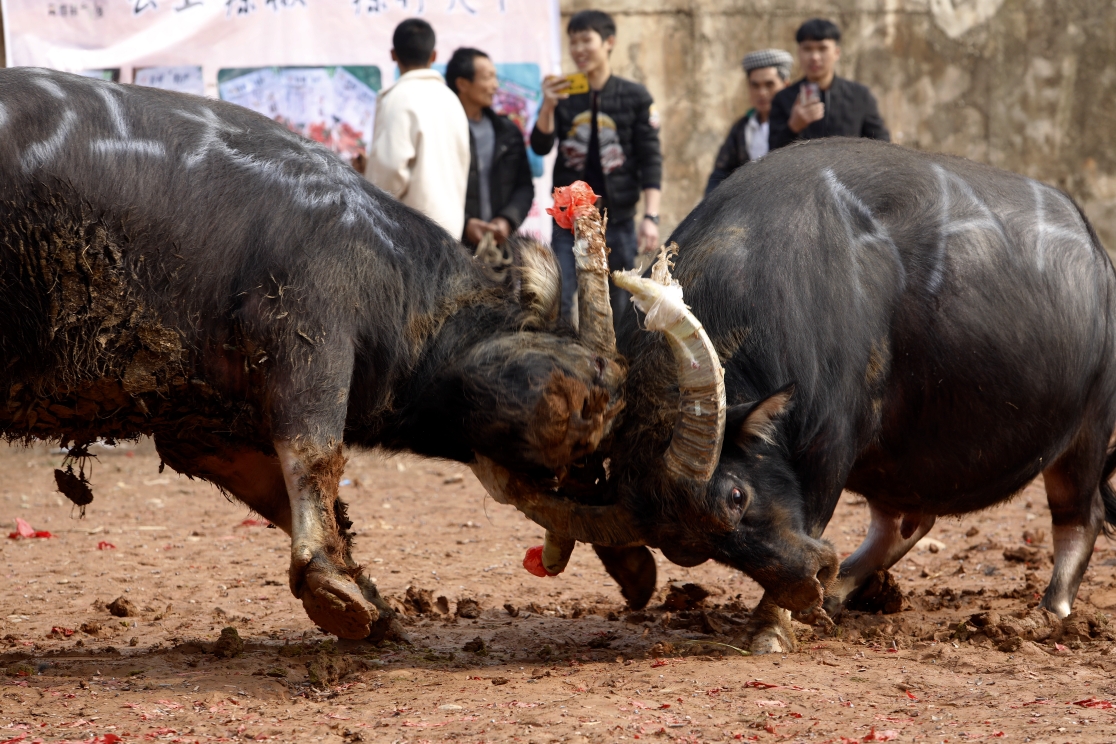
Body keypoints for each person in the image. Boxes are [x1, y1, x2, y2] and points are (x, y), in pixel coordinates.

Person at [530, 9, 663, 322]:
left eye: (585, 40)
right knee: (560, 296)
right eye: (572, 42)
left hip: (616, 219)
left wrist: (651, 216)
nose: (578, 49)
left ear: (608, 42)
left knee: (617, 303)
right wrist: (548, 105)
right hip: (569, 219)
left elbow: (650, 157)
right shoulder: (563, 95)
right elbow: (540, 145)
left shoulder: (635, 96)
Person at [366, 19, 470, 238]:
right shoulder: (451, 99)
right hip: (450, 234)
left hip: (410, 238)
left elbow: (390, 169)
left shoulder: (397, 97)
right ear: (434, 56)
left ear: (393, 55)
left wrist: (370, 180)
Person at [446, 47, 535, 252]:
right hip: (453, 249)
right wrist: (465, 225)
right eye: (488, 78)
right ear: (462, 84)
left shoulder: (508, 131)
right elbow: (432, 189)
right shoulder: (441, 131)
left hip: (500, 250)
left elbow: (524, 186)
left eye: (495, 77)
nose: (495, 86)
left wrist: (506, 220)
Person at [768, 18, 889, 151]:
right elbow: (772, 153)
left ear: (836, 52)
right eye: (807, 49)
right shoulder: (783, 98)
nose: (814, 57)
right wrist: (793, 127)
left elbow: (882, 145)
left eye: (822, 48)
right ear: (799, 52)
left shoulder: (860, 96)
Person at [704, 48, 793, 196]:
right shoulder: (742, 128)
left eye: (769, 85)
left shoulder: (795, 124)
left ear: (786, 85)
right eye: (755, 85)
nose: (762, 92)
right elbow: (721, 172)